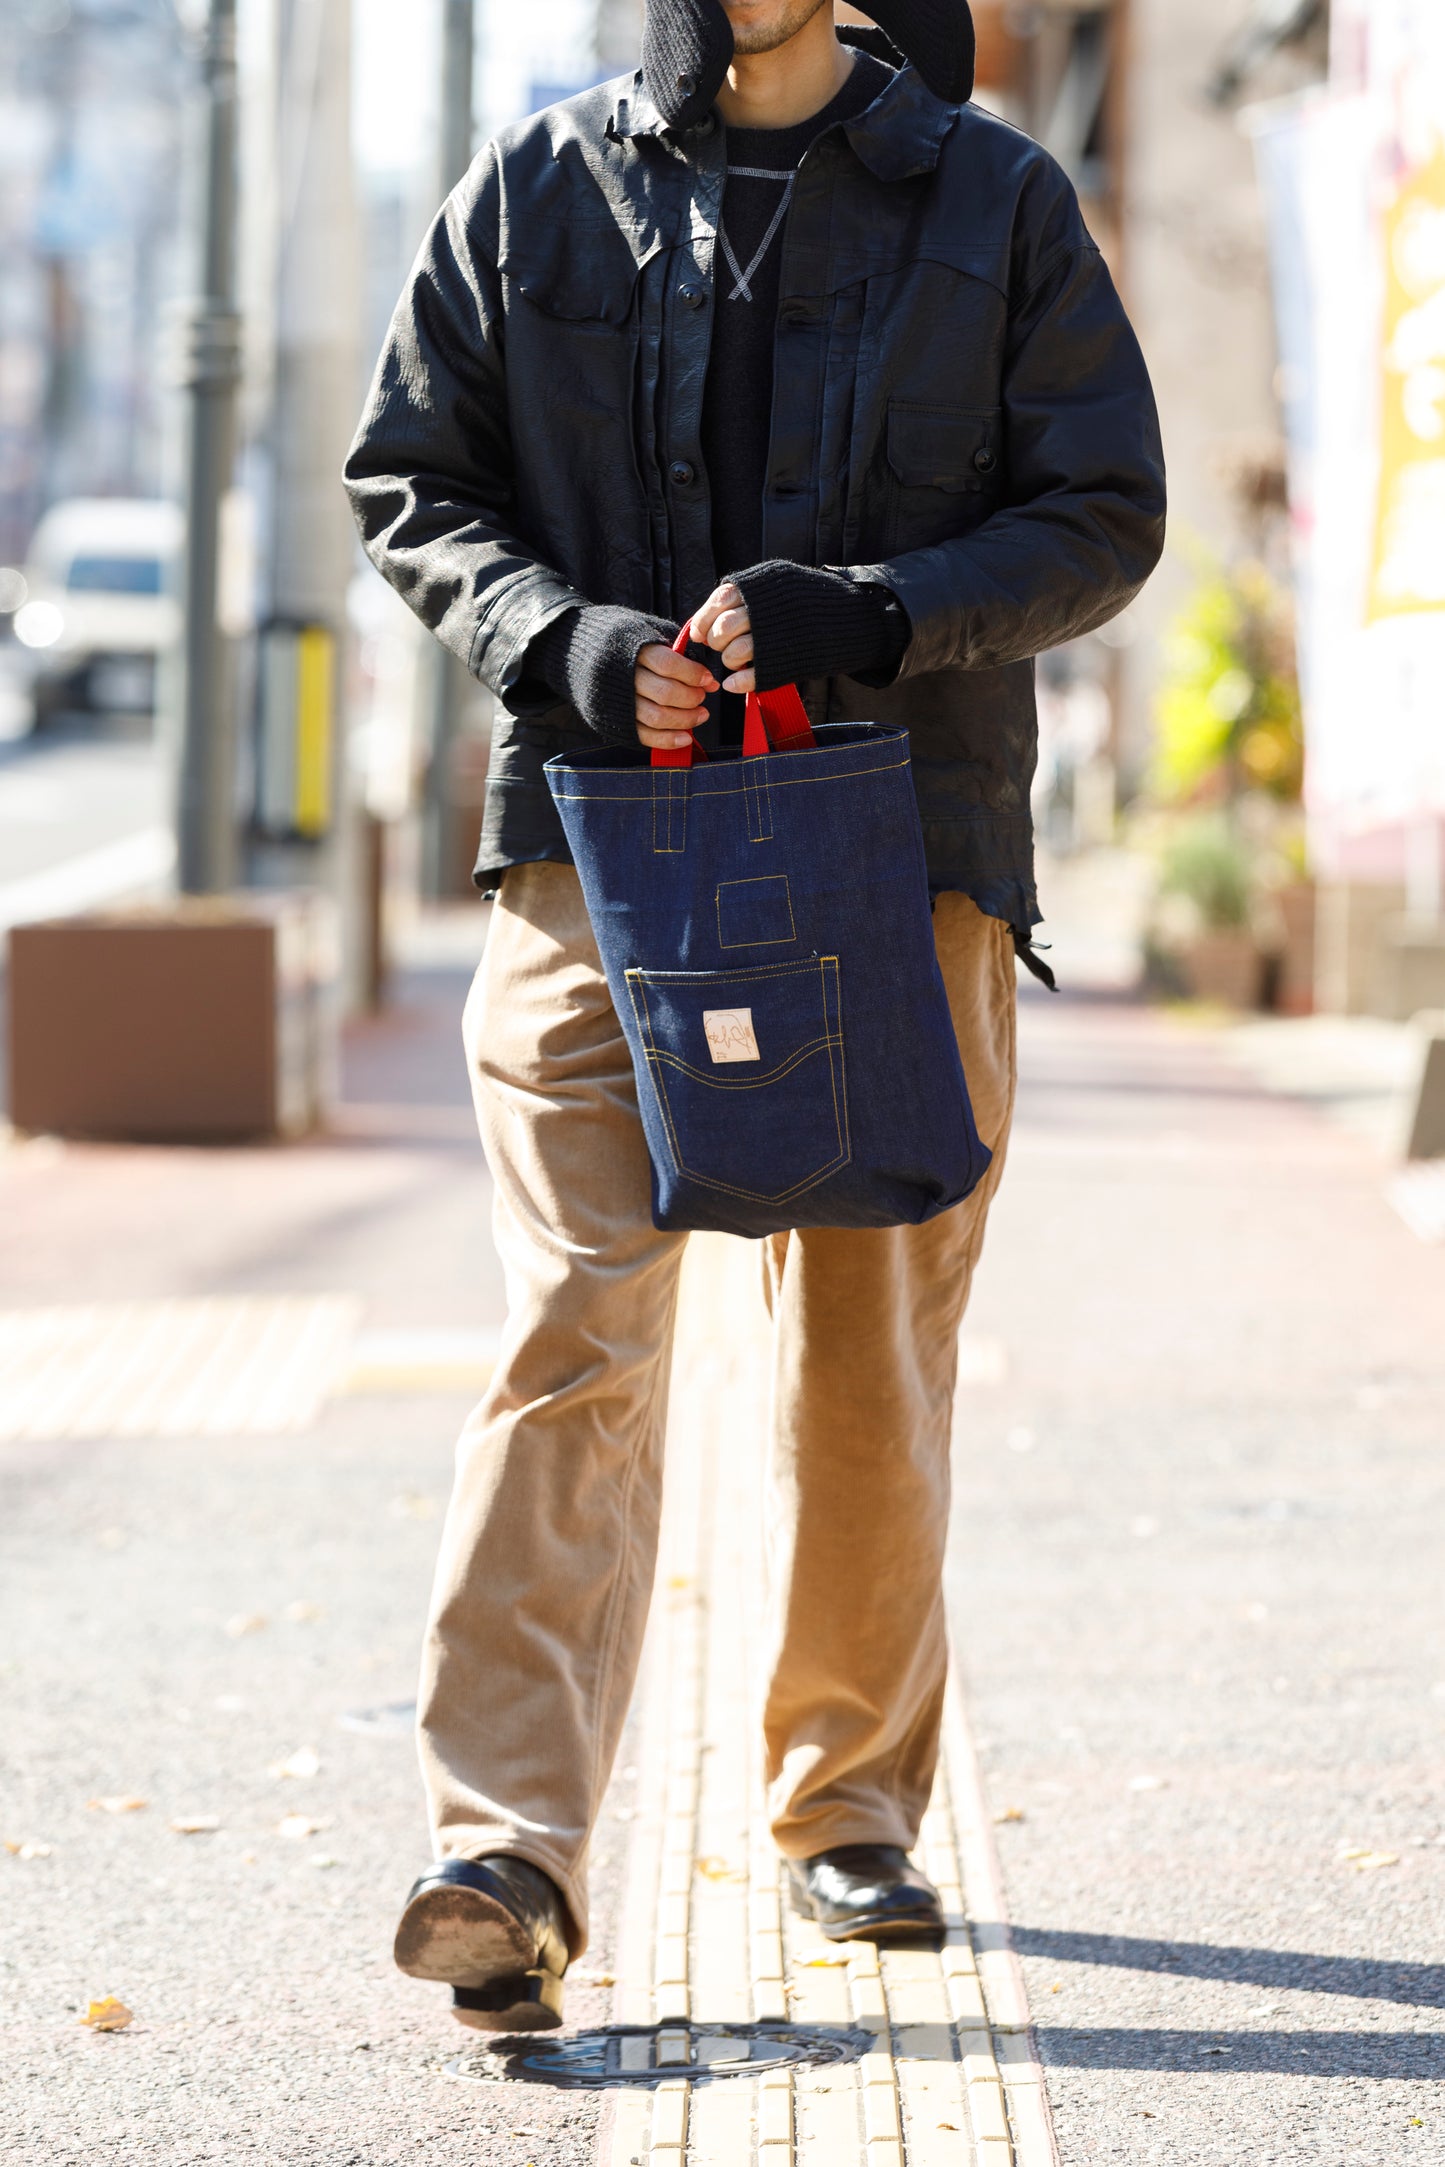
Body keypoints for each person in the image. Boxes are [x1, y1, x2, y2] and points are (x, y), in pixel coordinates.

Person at [345, 0, 1164, 2034]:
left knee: (869, 1348)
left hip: (905, 849)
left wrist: (882, 611)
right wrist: (566, 640)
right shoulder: (532, 192)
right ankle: (507, 1848)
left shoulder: (1000, 198)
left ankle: (846, 1806)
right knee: (574, 1328)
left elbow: (1104, 510)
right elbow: (413, 479)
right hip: (588, 857)